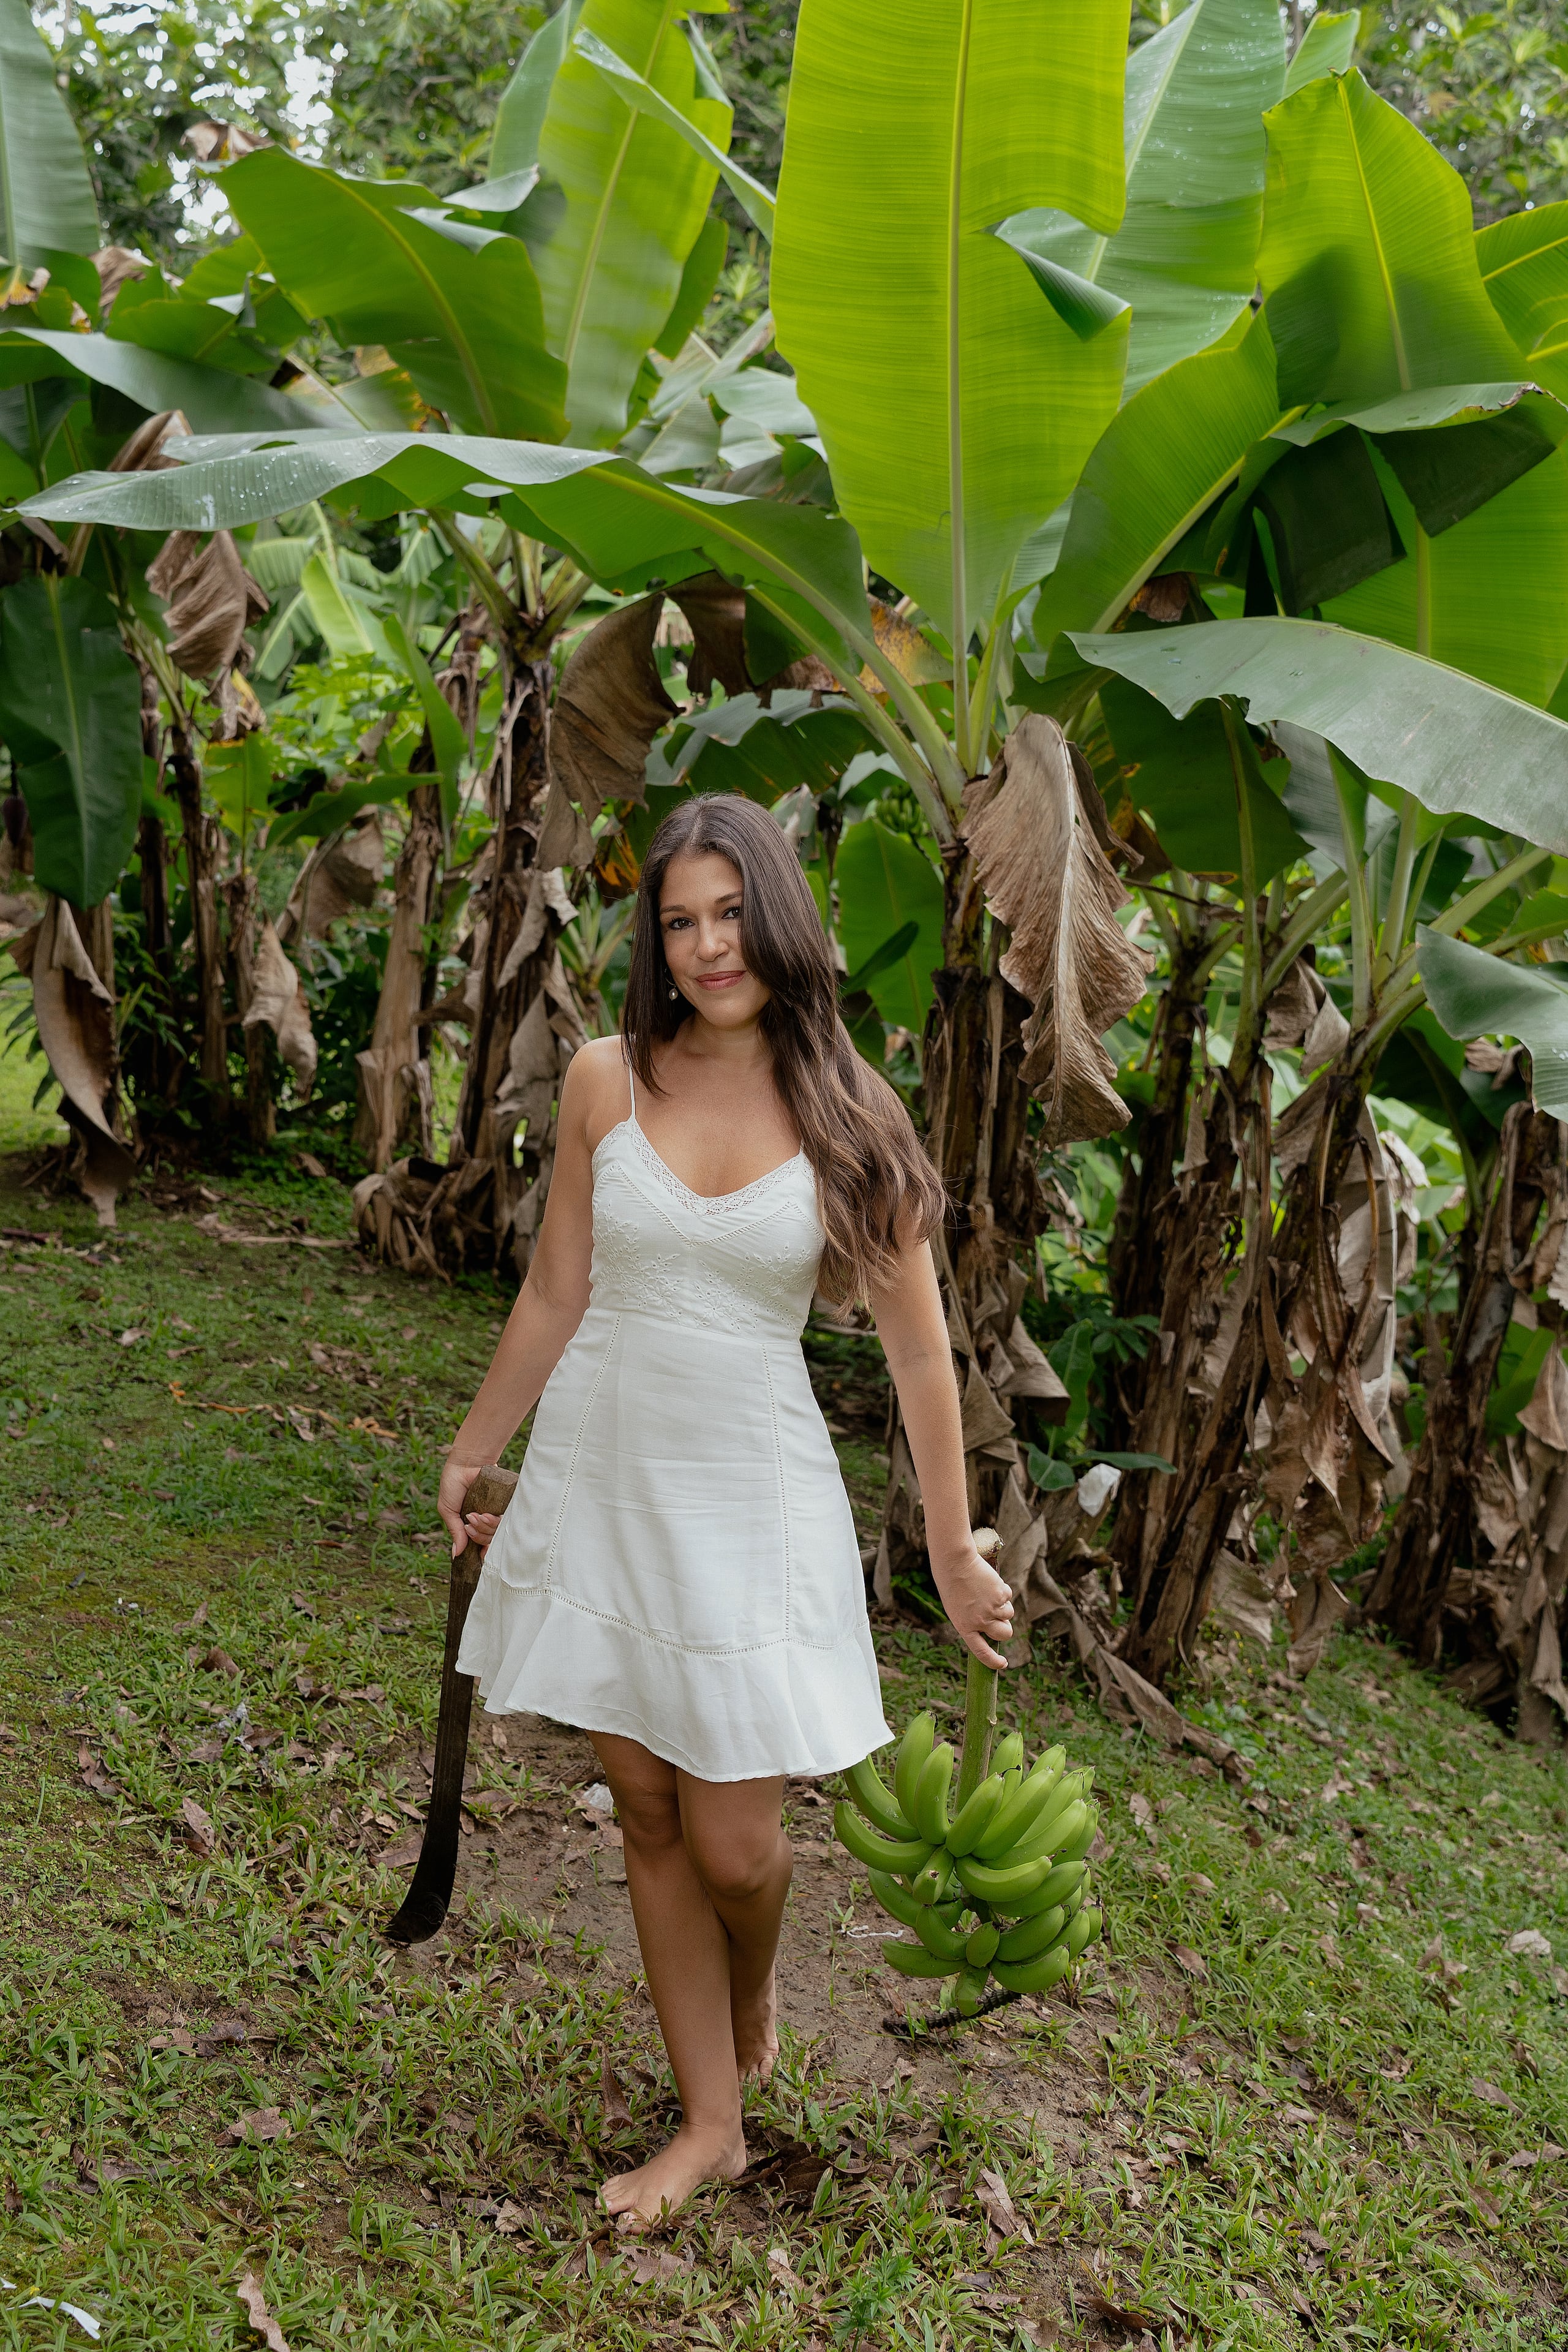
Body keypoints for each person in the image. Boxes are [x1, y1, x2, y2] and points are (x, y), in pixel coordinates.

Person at [439, 793, 1014, 2226]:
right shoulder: (599, 1080)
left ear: (777, 911)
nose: (706, 946)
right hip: (601, 1468)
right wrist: (476, 1445)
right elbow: (557, 1289)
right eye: (677, 921)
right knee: (642, 1803)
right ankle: (712, 2124)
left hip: (750, 1495)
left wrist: (948, 1546)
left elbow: (919, 1351)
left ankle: (749, 1979)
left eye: (728, 910)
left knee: (738, 1844)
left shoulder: (847, 1113)